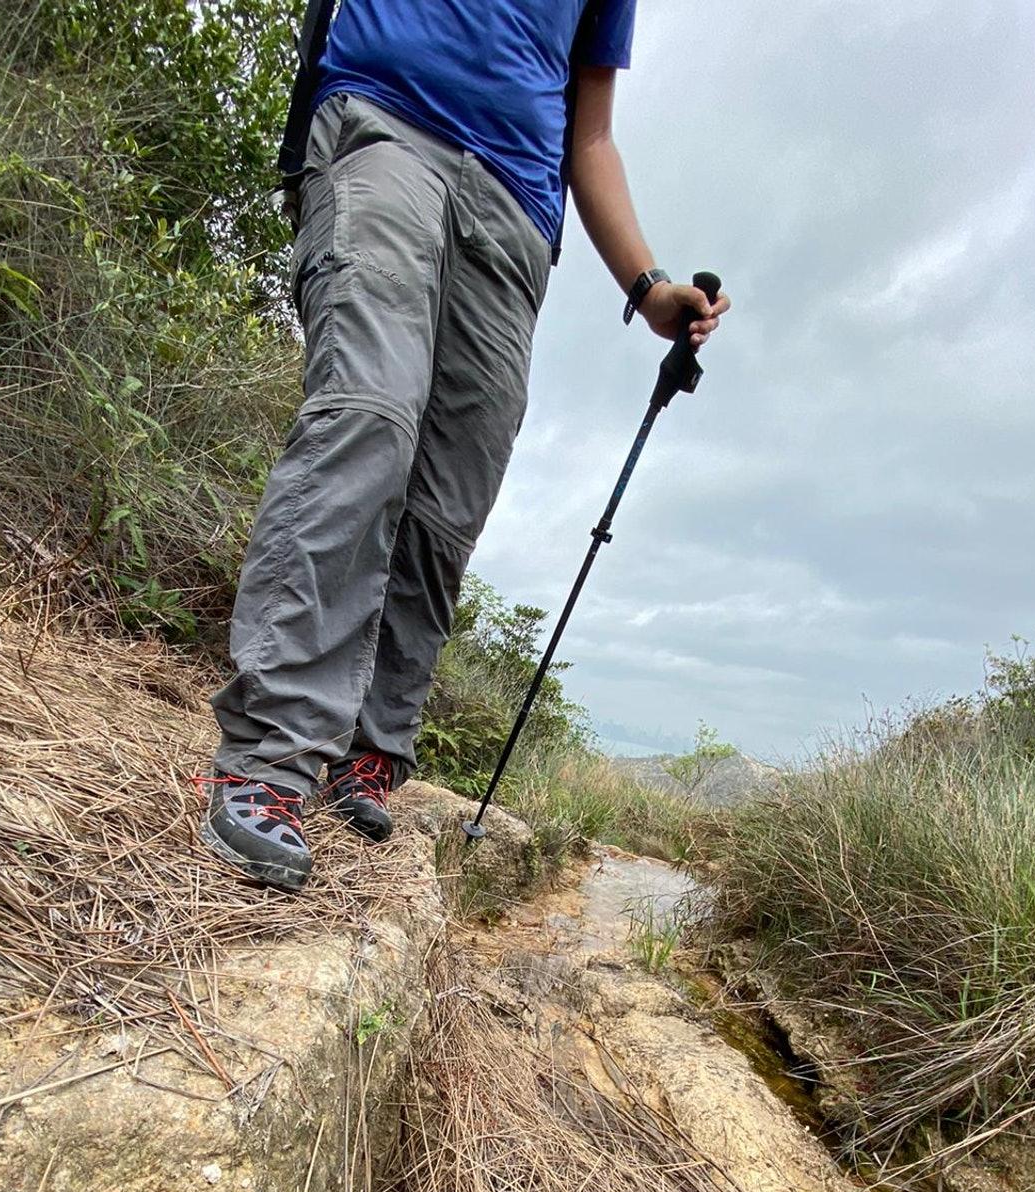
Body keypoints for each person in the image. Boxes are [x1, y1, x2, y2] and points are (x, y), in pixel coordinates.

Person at [203, 0, 730, 892]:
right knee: (371, 414)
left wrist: (648, 287)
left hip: (517, 212)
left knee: (453, 498)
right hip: (384, 128)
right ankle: (271, 754)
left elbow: (589, 134)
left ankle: (367, 753)